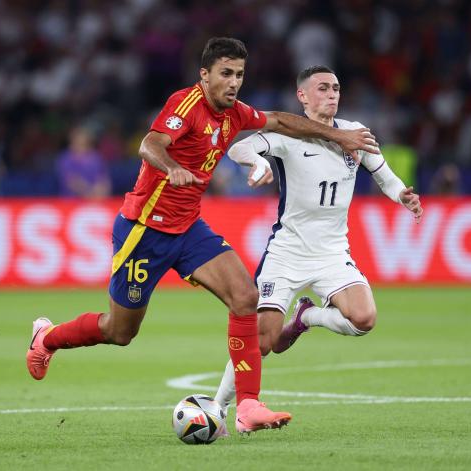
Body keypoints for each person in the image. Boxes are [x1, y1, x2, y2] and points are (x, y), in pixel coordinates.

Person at [26, 38, 380, 434]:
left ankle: (247, 406)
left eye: (240, 75)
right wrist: (172, 167)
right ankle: (48, 337)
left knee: (246, 297)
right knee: (120, 331)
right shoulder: (186, 105)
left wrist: (341, 137)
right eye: (226, 74)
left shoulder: (234, 114)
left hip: (189, 228)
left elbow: (280, 120)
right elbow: (150, 144)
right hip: (144, 231)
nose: (233, 83)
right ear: (205, 75)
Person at [213, 65, 423, 411]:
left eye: (336, 89)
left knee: (364, 319)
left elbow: (384, 175)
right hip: (288, 252)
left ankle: (307, 317)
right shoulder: (287, 134)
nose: (332, 95)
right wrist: (258, 164)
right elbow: (238, 150)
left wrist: (402, 194)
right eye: (323, 89)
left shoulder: (354, 133)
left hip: (331, 252)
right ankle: (218, 407)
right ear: (303, 96)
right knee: (264, 341)